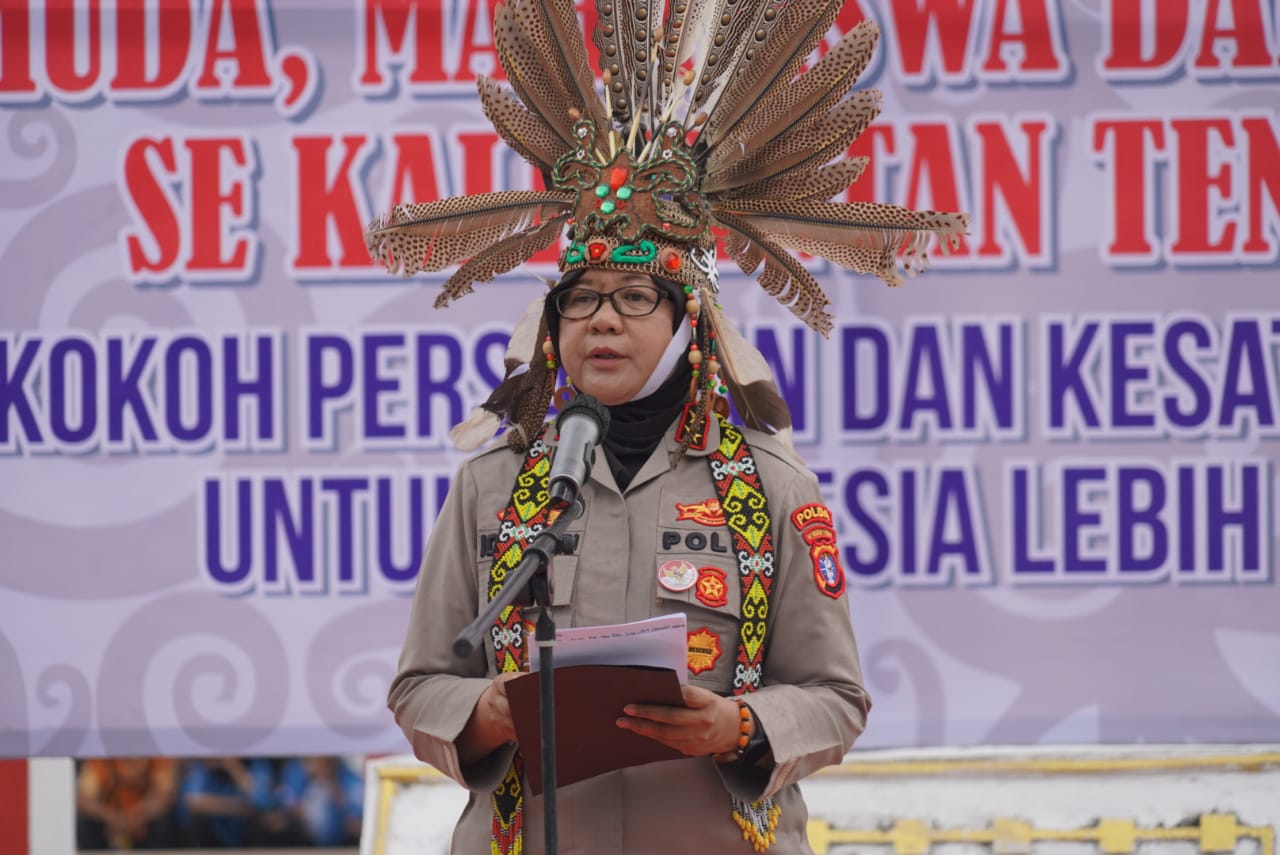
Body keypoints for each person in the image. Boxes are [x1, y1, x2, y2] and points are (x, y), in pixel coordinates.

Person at [370, 1, 966, 850]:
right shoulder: (494, 484)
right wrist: (482, 712)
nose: (600, 321)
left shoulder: (768, 486)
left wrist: (740, 726)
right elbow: (423, 679)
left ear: (691, 322)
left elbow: (835, 698)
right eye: (578, 299)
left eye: (633, 297)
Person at [75, 757, 179, 849]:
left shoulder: (156, 756)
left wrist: (136, 817)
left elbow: (166, 794)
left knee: (165, 819)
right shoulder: (100, 760)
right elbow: (83, 799)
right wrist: (114, 819)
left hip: (144, 824)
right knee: (84, 821)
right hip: (109, 825)